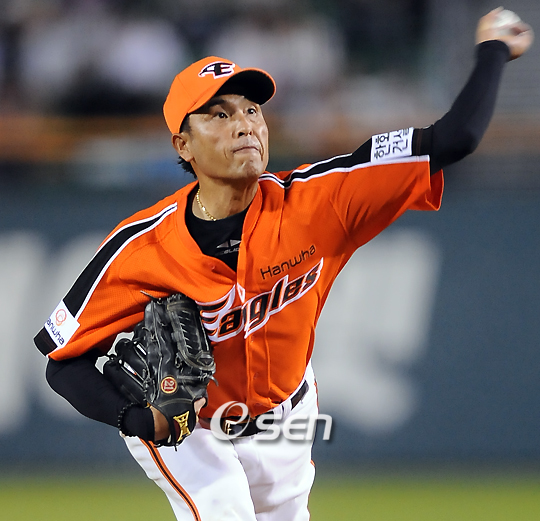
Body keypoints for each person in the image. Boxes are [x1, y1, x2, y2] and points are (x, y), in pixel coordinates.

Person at [35, 8, 533, 521]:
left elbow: (454, 139)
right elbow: (62, 361)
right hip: (192, 431)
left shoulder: (319, 203)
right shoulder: (141, 247)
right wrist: (135, 419)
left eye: (252, 110)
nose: (244, 125)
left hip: (287, 418)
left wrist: (493, 50)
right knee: (224, 507)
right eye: (219, 115)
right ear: (183, 145)